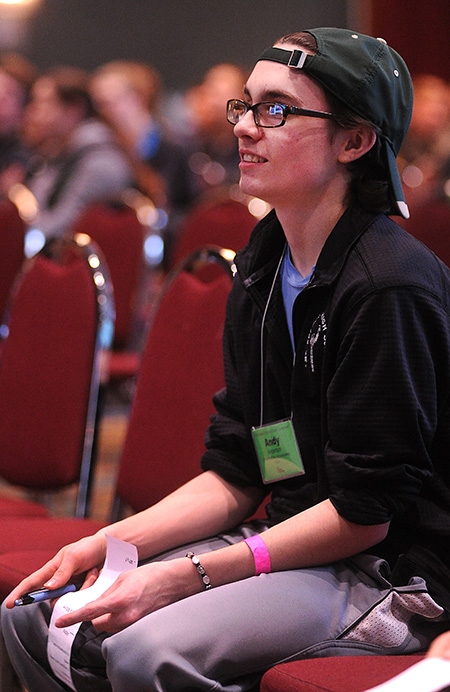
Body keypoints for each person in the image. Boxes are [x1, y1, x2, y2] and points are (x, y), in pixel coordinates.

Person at [2, 26, 450, 692]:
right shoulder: (266, 261)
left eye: (276, 109)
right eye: (246, 105)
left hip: (387, 570)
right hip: (291, 538)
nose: (243, 127)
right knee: (37, 618)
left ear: (354, 142)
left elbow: (365, 514)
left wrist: (187, 575)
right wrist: (108, 541)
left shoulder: (388, 286)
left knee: (144, 650)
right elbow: (241, 466)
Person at [22, 66, 133, 239]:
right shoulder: (56, 152)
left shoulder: (101, 162)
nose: (33, 112)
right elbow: (35, 212)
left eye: (44, 103)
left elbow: (65, 227)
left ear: (74, 109)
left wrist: (16, 240)